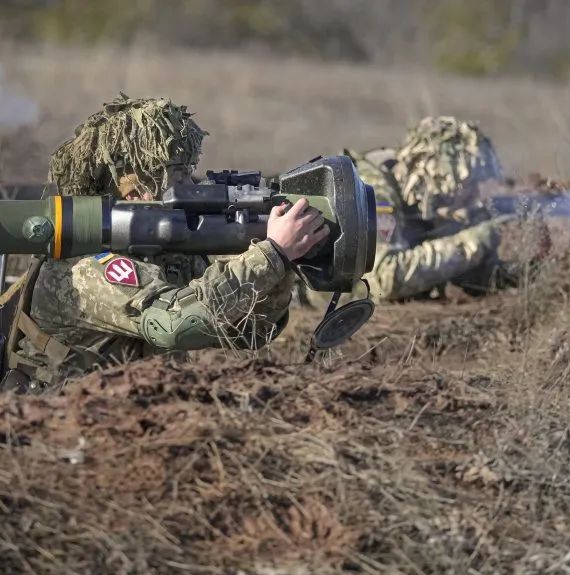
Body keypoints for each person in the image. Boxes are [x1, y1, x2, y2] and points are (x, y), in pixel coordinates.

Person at [0, 95, 327, 390]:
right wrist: (271, 254)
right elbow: (175, 324)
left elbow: (248, 332)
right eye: (178, 178)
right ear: (134, 193)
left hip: (130, 414)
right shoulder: (87, 266)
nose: (192, 187)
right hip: (57, 419)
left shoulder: (165, 255)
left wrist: (279, 266)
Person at [347, 116, 544, 301]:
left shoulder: (422, 197)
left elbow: (465, 275)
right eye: (467, 184)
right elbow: (385, 278)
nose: (474, 195)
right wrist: (476, 241)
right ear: (438, 176)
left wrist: (527, 271)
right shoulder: (372, 192)